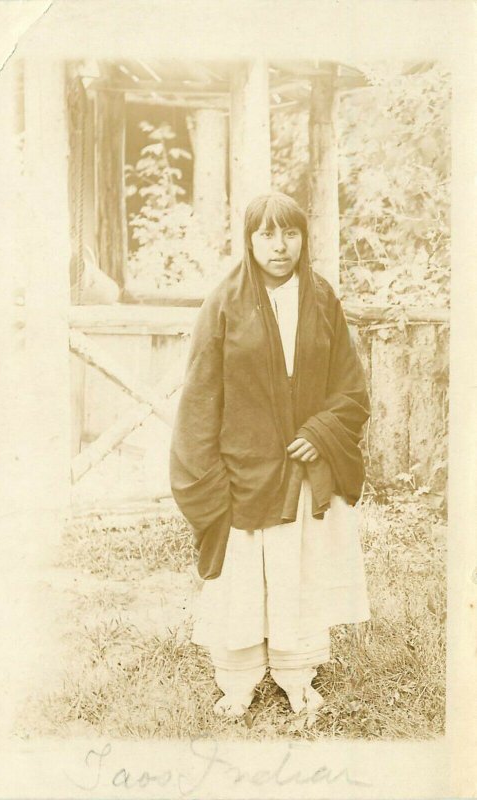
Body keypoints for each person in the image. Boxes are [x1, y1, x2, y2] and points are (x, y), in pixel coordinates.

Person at [170, 192, 370, 718]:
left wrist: (320, 431)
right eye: (266, 234)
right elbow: (199, 398)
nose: (279, 246)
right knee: (243, 576)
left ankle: (297, 675)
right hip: (242, 471)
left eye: (290, 233)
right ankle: (236, 681)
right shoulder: (224, 303)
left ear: (304, 238)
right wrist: (205, 476)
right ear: (249, 239)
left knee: (295, 572)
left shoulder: (322, 299)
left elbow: (350, 389)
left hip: (302, 472)